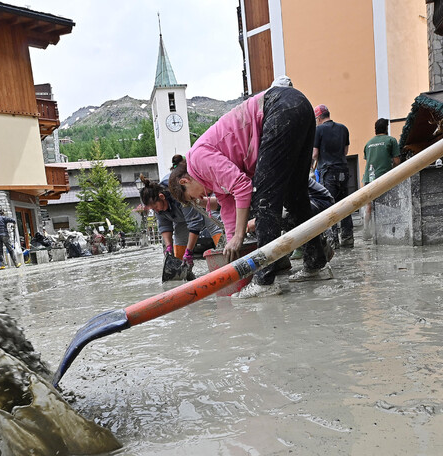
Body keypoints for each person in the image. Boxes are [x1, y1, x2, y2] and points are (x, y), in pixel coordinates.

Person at [168, 85, 330, 299]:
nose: (200, 198)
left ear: (185, 180)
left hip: (278, 108)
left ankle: (264, 281)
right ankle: (316, 263)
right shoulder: (210, 178)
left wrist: (239, 236)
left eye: (192, 195)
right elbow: (228, 207)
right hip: (299, 106)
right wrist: (230, 243)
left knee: (265, 198)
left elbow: (243, 187)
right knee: (295, 197)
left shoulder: (198, 159)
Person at [138, 173, 222, 268]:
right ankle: (182, 270)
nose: (156, 210)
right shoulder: (158, 207)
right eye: (153, 209)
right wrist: (169, 246)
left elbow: (194, 224)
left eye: (156, 207)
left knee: (212, 222)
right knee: (179, 241)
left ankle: (224, 255)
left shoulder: (178, 193)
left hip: (202, 199)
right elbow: (165, 226)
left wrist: (189, 251)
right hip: (180, 217)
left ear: (162, 196)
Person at [312, 104, 353, 248]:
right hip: (343, 170)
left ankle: (333, 240)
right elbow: (346, 151)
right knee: (345, 204)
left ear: (318, 118)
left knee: (329, 205)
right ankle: (348, 237)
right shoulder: (343, 128)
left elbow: (315, 154)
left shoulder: (318, 130)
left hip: (328, 171)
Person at [362, 118, 400, 187]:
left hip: (368, 180)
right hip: (384, 179)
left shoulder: (368, 144)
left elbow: (369, 162)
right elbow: (396, 161)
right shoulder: (391, 140)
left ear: (375, 129)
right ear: (386, 128)